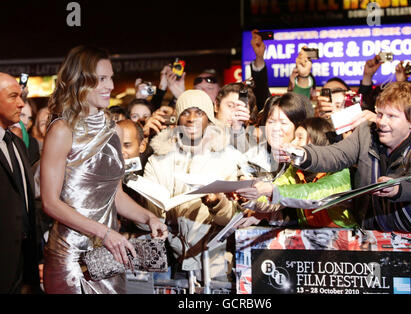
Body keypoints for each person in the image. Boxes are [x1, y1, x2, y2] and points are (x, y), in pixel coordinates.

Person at [40, 45, 168, 294]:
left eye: (110, 77)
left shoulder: (114, 130)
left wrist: (149, 218)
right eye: (101, 79)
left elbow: (115, 195)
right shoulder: (62, 131)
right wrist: (105, 232)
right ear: (80, 81)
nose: (110, 85)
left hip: (108, 256)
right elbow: (50, 202)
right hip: (71, 258)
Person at [276, 81, 411, 237]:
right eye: (379, 114)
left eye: (391, 116)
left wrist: (396, 188)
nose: (382, 122)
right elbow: (335, 154)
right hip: (374, 235)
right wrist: (304, 154)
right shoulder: (366, 133)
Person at [143, 89, 248, 283]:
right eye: (185, 112)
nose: (192, 119)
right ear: (177, 119)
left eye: (199, 112)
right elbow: (144, 220)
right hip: (171, 263)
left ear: (209, 118)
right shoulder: (158, 160)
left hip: (216, 263)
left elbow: (234, 219)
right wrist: (155, 210)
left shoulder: (228, 158)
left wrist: (217, 203)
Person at [236, 117, 357, 229]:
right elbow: (276, 194)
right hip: (308, 239)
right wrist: (249, 195)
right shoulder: (295, 170)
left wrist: (271, 190)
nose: (293, 143)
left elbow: (314, 194)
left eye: (299, 138)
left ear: (317, 141)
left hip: (346, 241)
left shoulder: (340, 172)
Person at [0, 72, 41, 293]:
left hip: (23, 259)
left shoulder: (16, 143)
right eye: (13, 96)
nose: (21, 103)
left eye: (21, 96)